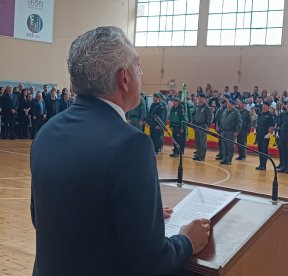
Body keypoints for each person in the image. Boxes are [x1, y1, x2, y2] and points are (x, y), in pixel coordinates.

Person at [30, 26, 210, 276]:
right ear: (124, 79)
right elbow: (152, 261)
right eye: (138, 65)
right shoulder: (130, 144)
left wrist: (134, 215)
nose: (141, 72)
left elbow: (42, 218)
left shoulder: (47, 132)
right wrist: (187, 240)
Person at [219, 99, 242, 165]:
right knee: (224, 146)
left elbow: (239, 123)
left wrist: (237, 131)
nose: (227, 104)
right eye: (227, 103)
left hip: (231, 132)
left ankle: (229, 160)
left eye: (228, 103)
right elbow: (222, 120)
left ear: (232, 104)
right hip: (224, 131)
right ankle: (224, 159)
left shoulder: (236, 112)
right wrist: (221, 128)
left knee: (230, 146)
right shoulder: (225, 110)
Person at [255, 101, 275, 170]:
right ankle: (261, 164)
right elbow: (258, 124)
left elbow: (272, 126)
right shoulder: (261, 114)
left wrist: (269, 134)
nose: (263, 106)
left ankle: (264, 165)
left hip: (265, 135)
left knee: (264, 150)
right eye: (263, 105)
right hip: (259, 135)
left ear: (268, 107)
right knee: (260, 150)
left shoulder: (270, 115)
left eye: (265, 105)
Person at [193, 93, 212, 161]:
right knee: (197, 141)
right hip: (196, 126)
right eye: (199, 97)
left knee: (202, 142)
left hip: (203, 126)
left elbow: (210, 117)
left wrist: (207, 125)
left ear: (204, 99)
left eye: (201, 97)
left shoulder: (207, 107)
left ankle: (202, 156)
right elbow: (194, 115)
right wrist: (193, 124)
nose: (199, 99)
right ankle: (198, 155)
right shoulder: (197, 106)